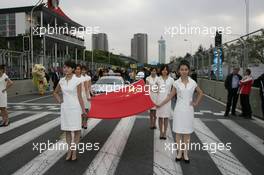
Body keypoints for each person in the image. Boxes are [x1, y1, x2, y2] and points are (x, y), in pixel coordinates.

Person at [157, 60, 203, 163]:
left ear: (189, 71)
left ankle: (185, 153)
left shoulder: (193, 82)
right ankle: (179, 152)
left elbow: (200, 93)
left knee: (187, 133)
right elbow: (170, 96)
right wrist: (160, 104)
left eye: (186, 69)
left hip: (189, 111)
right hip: (178, 110)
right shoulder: (176, 83)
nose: (184, 71)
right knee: (178, 132)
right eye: (182, 69)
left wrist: (195, 103)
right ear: (178, 71)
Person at [53, 61, 86, 161]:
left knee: (76, 130)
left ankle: (74, 151)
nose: (65, 69)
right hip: (65, 108)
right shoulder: (61, 80)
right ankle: (69, 151)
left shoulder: (77, 80)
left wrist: (83, 110)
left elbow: (80, 96)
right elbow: (55, 92)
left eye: (68, 67)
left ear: (72, 69)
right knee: (67, 131)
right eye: (64, 67)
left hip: (75, 108)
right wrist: (60, 101)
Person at [156, 65, 174, 140]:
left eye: (166, 70)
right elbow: (155, 90)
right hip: (159, 99)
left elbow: (174, 90)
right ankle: (161, 133)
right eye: (163, 70)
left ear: (168, 71)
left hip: (167, 101)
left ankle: (165, 133)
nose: (164, 71)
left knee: (166, 118)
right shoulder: (158, 79)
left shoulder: (171, 80)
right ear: (161, 71)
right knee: (160, 117)